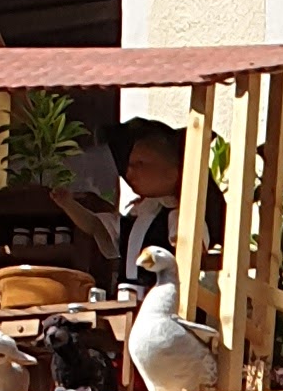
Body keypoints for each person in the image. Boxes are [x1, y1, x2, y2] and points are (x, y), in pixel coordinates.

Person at [65, 118, 220, 291]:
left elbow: (193, 248)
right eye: (129, 164)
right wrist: (67, 203)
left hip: (161, 294)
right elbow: (96, 226)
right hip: (128, 294)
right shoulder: (136, 215)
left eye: (140, 164)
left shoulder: (178, 216)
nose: (129, 171)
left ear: (173, 173)